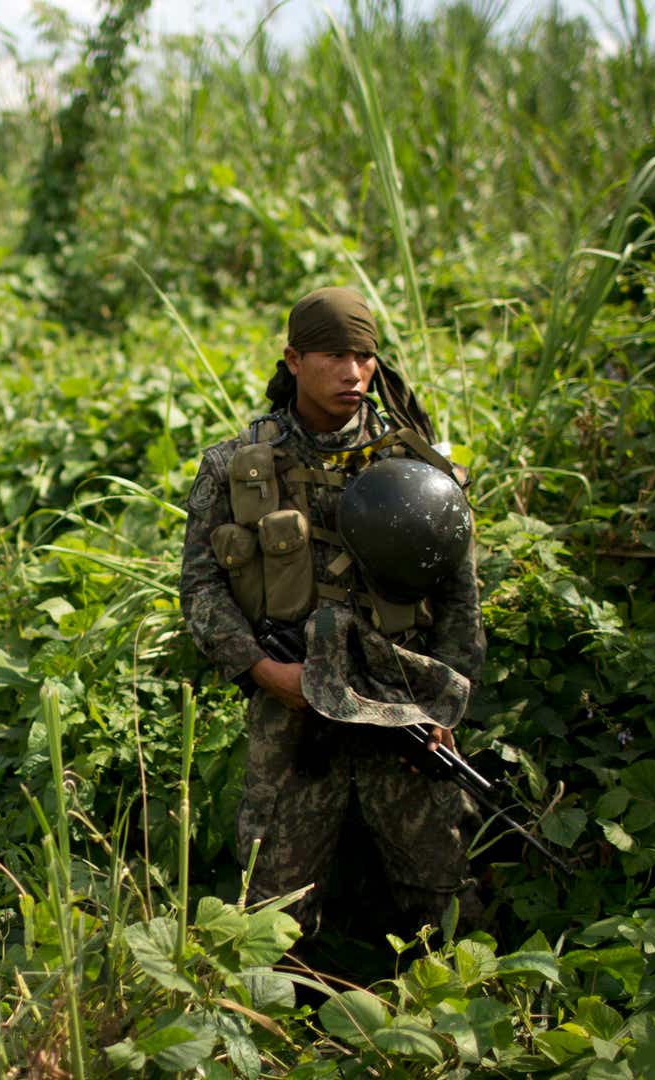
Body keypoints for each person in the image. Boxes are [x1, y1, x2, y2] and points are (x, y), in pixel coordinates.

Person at [179, 286, 487, 938]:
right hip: (291, 717)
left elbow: (460, 597)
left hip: (401, 706)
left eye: (365, 357)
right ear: (293, 359)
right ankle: (272, 1026)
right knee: (268, 914)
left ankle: (457, 1019)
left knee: (442, 893)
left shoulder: (414, 463)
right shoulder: (237, 467)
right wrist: (267, 673)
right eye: (334, 356)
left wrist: (446, 704)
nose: (353, 372)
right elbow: (201, 593)